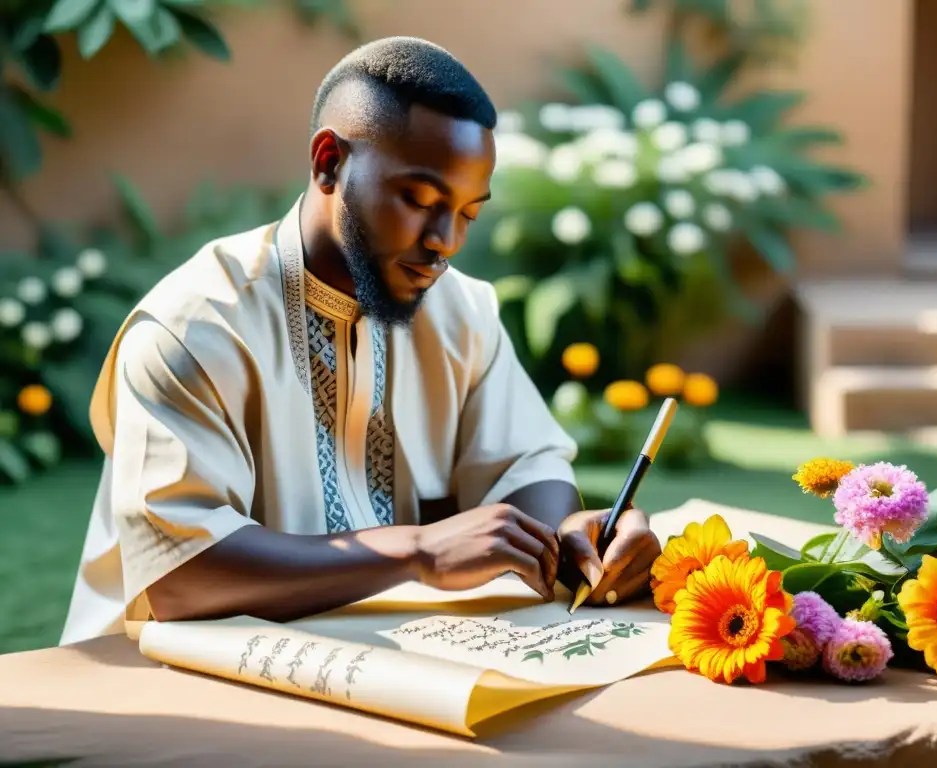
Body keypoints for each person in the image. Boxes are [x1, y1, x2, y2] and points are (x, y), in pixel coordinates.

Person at [59, 36, 662, 646]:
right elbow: (180, 575)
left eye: (467, 213)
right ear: (329, 162)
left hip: (386, 666)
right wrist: (417, 550)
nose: (445, 241)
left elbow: (525, 463)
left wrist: (566, 535)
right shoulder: (194, 328)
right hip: (175, 683)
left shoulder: (460, 311)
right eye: (420, 200)